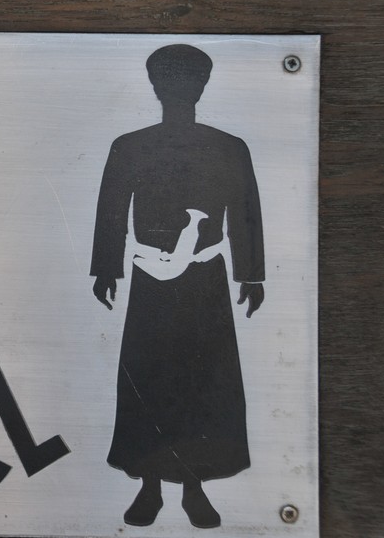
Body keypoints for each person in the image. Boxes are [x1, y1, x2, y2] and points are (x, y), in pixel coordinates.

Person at [90, 44, 264, 529]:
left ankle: (193, 487)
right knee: (149, 376)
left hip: (205, 281)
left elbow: (245, 213)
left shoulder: (229, 148)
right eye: (170, 81)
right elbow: (111, 211)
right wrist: (107, 268)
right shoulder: (130, 146)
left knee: (203, 381)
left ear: (202, 87)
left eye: (188, 81)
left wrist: (250, 274)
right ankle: (148, 485)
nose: (180, 90)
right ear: (155, 87)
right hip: (151, 279)